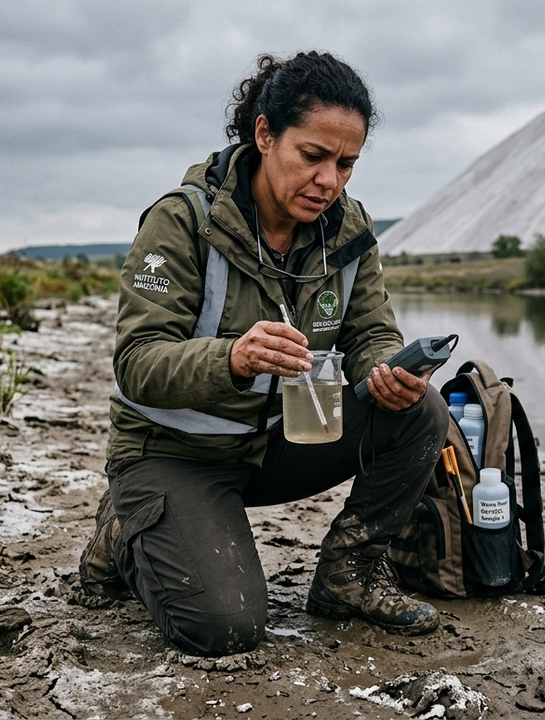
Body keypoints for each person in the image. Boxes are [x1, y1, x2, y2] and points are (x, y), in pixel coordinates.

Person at [78, 51, 450, 658]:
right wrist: (233, 359)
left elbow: (371, 334)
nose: (329, 181)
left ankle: (347, 574)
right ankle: (125, 526)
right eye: (313, 156)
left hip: (278, 444)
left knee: (423, 410)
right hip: (175, 455)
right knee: (226, 629)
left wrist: (389, 371)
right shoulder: (181, 221)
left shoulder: (350, 231)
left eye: (347, 164)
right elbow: (138, 362)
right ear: (264, 134)